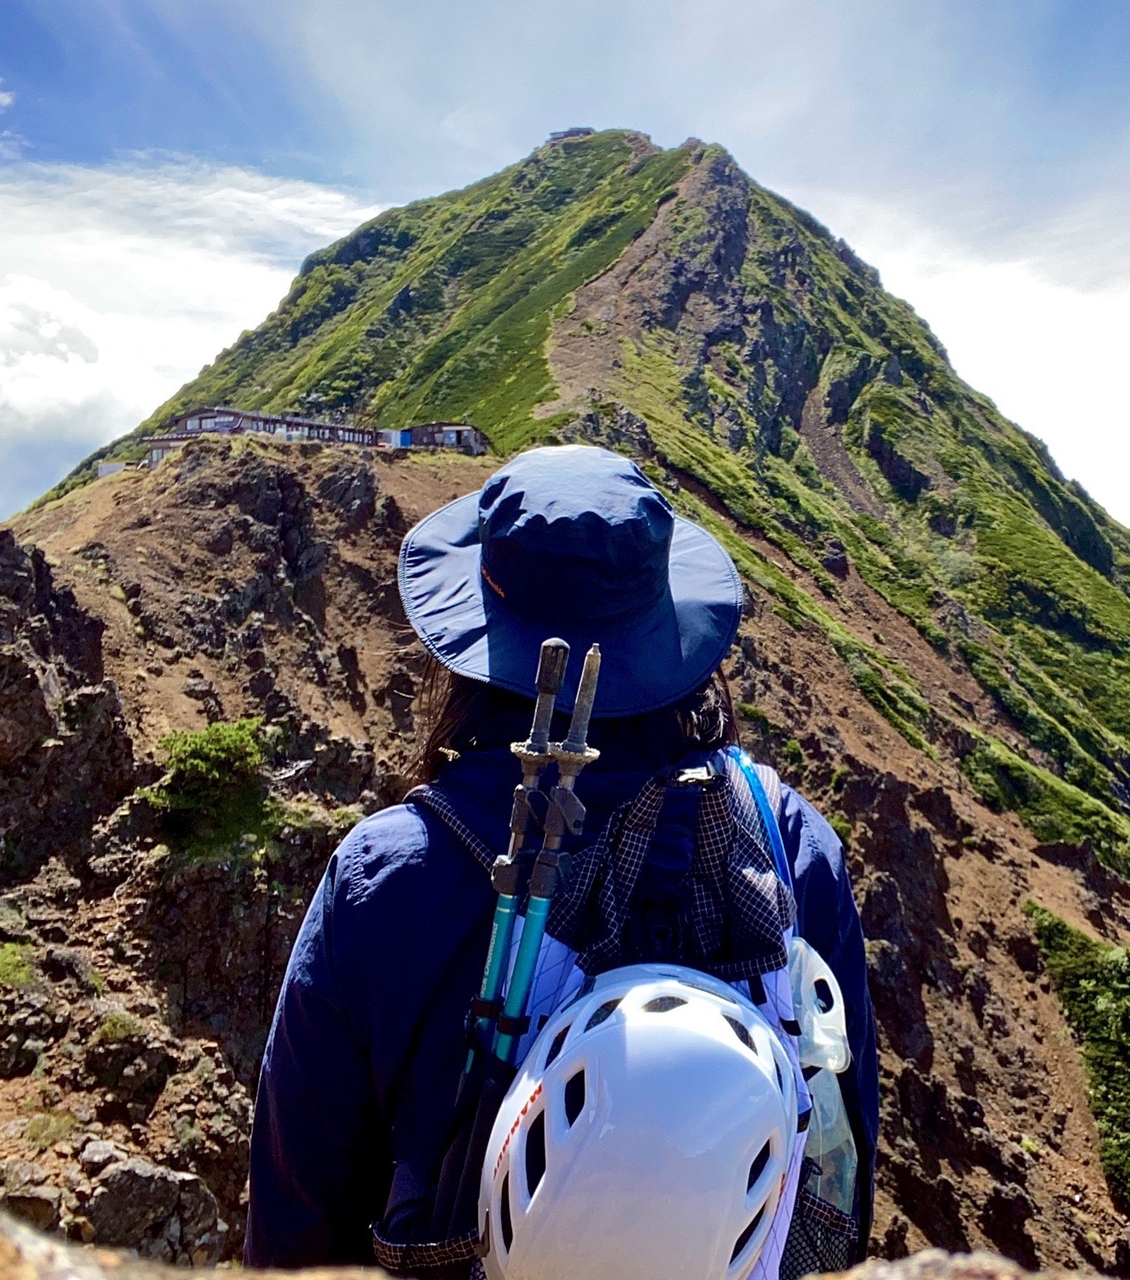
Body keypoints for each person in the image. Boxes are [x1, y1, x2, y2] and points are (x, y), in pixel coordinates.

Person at [245, 444, 878, 1274]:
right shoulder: (794, 851)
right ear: (670, 629)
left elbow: (299, 1220)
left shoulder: (390, 878)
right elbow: (841, 1190)